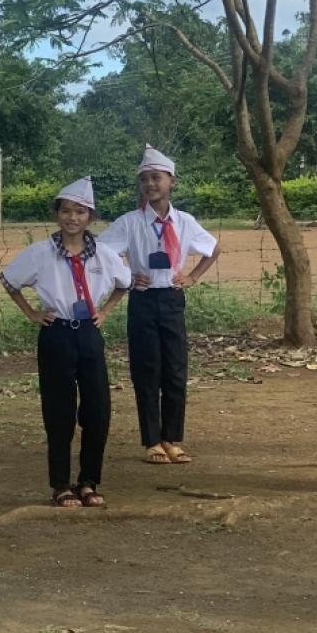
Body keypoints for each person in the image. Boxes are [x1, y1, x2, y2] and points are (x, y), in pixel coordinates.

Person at [1, 178, 130, 509]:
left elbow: (124, 283)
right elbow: (10, 281)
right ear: (57, 215)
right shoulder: (40, 253)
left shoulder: (104, 253)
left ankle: (89, 481)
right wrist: (31, 313)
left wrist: (105, 310)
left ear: (90, 217)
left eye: (80, 212)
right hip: (56, 332)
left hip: (89, 332)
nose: (73, 218)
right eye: (66, 211)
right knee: (58, 411)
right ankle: (60, 484)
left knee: (98, 409)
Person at [97, 145, 219, 465]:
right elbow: (99, 252)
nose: (150, 184)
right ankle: (151, 440)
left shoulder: (185, 221)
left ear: (172, 181)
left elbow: (213, 249)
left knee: (176, 371)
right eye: (144, 179)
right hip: (143, 300)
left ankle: (171, 439)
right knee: (147, 371)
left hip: (172, 299)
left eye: (156, 178)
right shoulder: (129, 223)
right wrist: (126, 275)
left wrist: (192, 277)